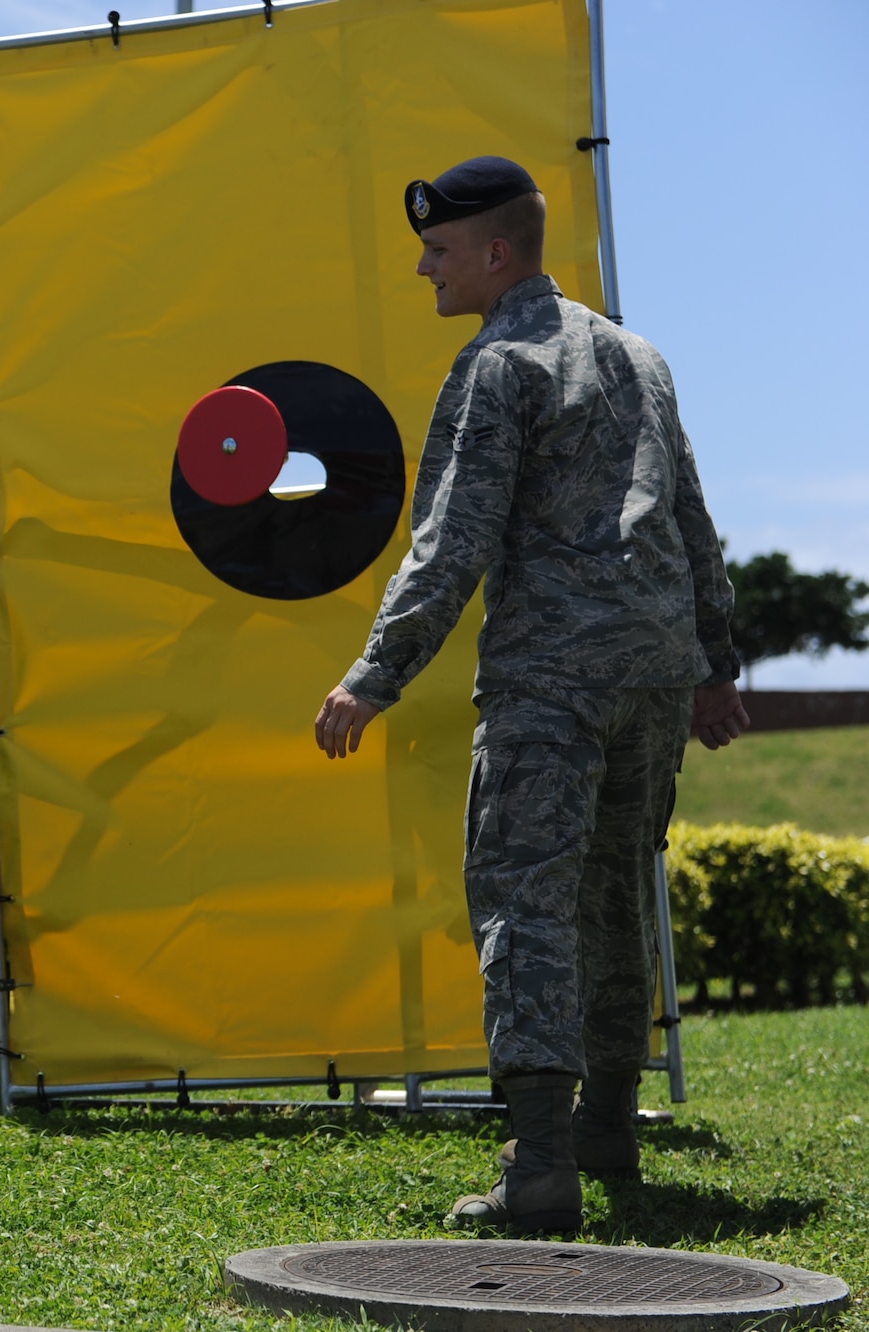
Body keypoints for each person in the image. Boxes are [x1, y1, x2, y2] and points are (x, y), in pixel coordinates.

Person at [311, 157, 749, 1234]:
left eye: (439, 250)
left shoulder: (496, 365)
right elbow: (690, 515)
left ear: (494, 252)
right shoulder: (635, 354)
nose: (423, 267)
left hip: (549, 681)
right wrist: (713, 663)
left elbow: (450, 543)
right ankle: (606, 1124)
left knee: (525, 903)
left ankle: (542, 1164)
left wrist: (374, 675)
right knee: (611, 899)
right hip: (650, 677)